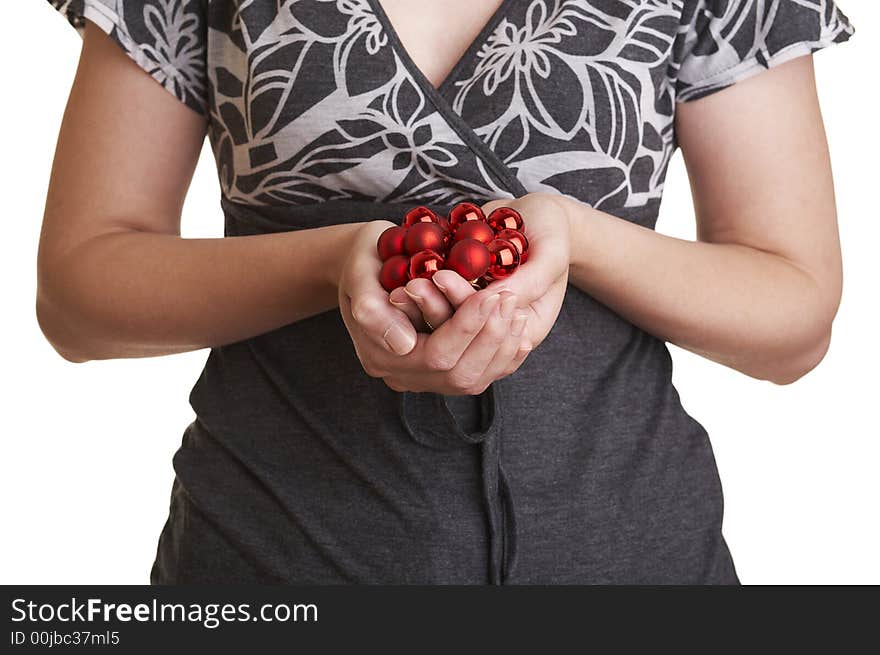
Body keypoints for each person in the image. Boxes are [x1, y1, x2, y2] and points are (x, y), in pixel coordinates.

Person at [41, 0, 853, 583]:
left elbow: (794, 316)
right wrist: (334, 262)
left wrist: (579, 238)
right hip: (266, 562)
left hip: (638, 560)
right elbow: (79, 292)